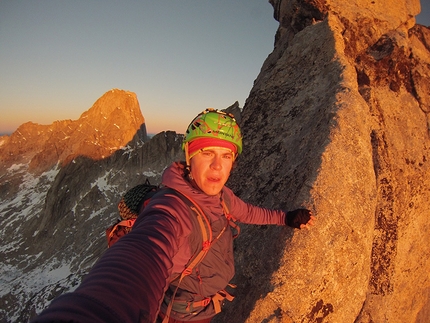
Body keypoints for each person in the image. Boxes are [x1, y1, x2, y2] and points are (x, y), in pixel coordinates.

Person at [31, 108, 316, 323]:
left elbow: (248, 212)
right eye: (207, 153)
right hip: (184, 316)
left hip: (206, 306)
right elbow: (147, 248)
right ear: (189, 157)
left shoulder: (222, 196)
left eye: (226, 156)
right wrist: (96, 311)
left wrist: (285, 218)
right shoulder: (172, 206)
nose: (217, 167)